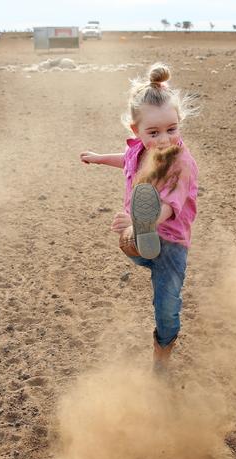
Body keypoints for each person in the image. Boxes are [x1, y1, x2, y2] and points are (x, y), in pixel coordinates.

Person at [80, 63, 198, 372]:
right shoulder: (139, 149)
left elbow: (171, 207)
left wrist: (140, 223)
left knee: (167, 307)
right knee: (135, 245)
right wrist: (98, 158)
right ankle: (139, 241)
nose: (163, 139)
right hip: (144, 235)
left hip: (171, 241)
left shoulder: (180, 162)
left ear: (179, 123)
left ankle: (163, 351)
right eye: (154, 132)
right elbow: (126, 159)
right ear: (136, 131)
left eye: (172, 129)